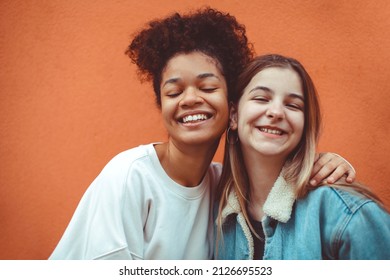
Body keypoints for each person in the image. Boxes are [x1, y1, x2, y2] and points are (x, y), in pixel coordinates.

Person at [49, 8, 356, 260]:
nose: (190, 99)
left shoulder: (224, 188)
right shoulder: (130, 176)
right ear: (162, 105)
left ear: (232, 107)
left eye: (208, 87)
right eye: (173, 92)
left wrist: (325, 162)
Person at [214, 54, 390, 260]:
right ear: (234, 115)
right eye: (261, 98)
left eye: (293, 105)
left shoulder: (347, 213)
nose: (276, 112)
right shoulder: (216, 209)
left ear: (305, 124)